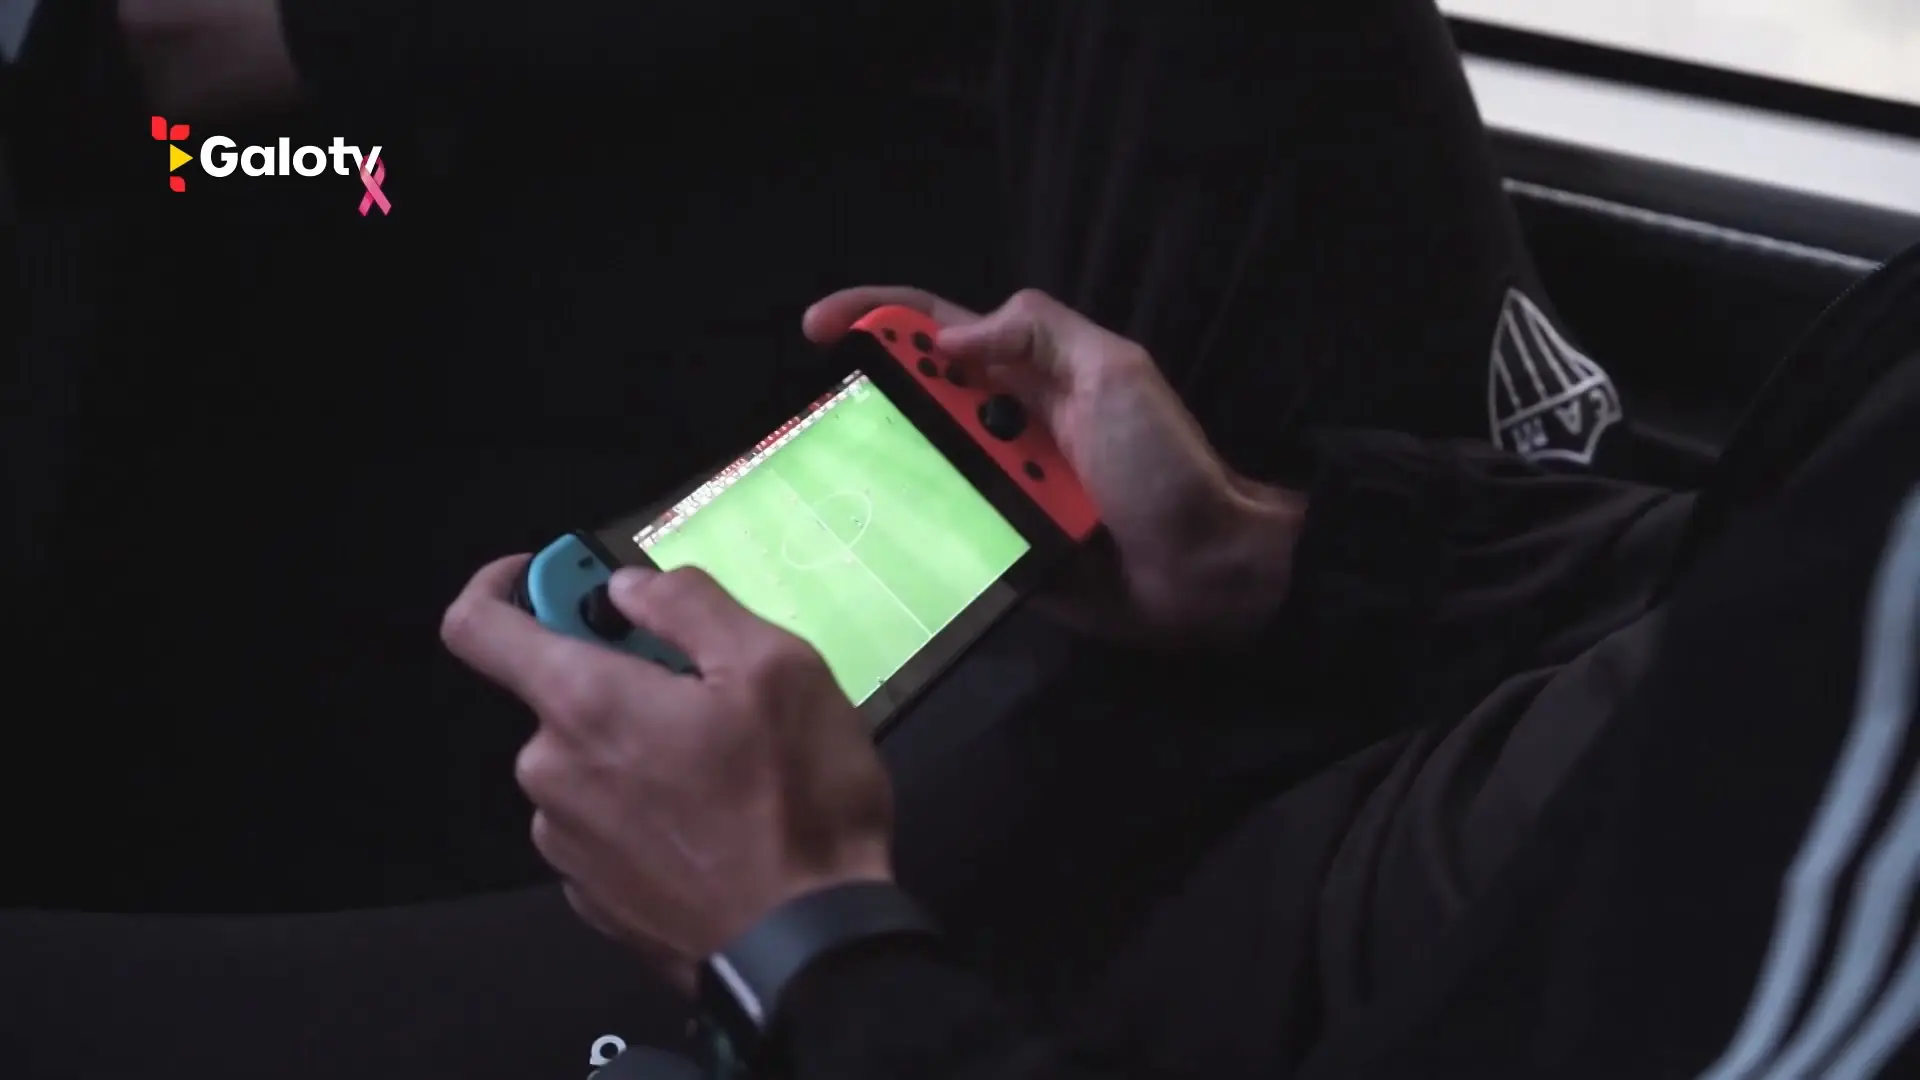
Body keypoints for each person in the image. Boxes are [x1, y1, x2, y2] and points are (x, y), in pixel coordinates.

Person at [32, 2, 1920, 1079]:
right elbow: (1798, 591)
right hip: (1423, 688)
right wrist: (1288, 556)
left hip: (1140, 995)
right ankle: (176, 81)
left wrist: (788, 939)